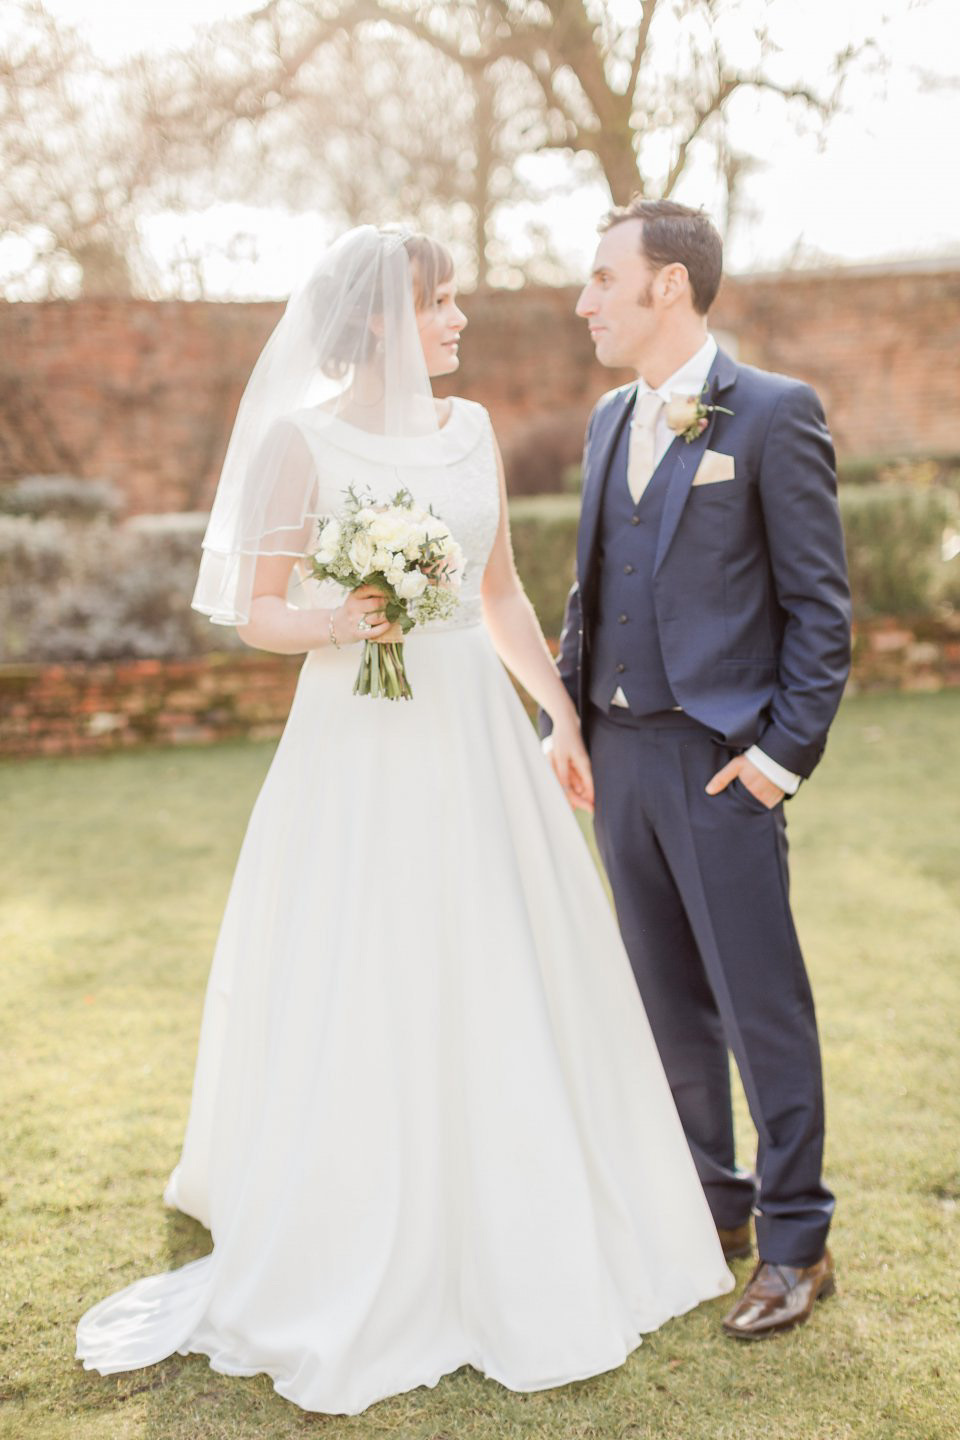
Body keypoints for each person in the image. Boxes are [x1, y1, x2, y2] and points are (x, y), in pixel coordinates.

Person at [76, 225, 732, 1416]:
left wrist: (562, 717)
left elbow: (499, 593)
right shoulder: (301, 441)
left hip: (473, 736)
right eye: (440, 305)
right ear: (383, 319)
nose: (459, 322)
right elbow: (257, 611)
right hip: (356, 741)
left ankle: (521, 1202)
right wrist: (348, 619)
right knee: (366, 961)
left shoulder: (469, 430)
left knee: (497, 957)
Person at [542, 198, 852, 1339]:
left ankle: (797, 1242)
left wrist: (778, 760)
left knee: (758, 1004)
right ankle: (709, 1210)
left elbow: (821, 613)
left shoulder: (774, 415)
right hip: (618, 763)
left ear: (667, 284)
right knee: (663, 1003)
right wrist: (567, 722)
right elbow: (591, 588)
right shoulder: (604, 421)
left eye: (602, 279)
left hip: (723, 766)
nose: (586, 301)